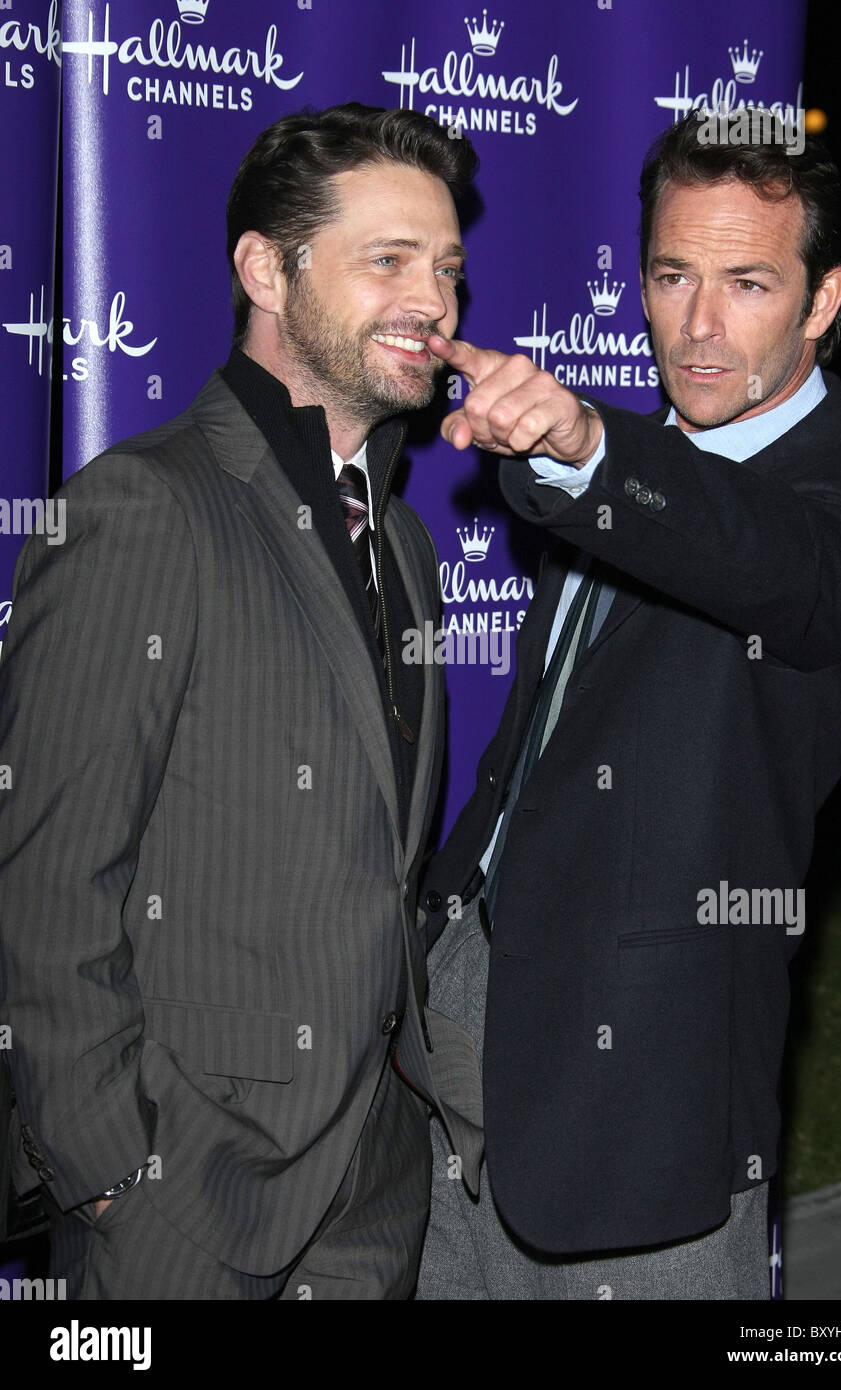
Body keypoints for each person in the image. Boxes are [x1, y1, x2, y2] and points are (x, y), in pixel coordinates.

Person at [415, 111, 841, 1299]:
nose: (697, 326)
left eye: (748, 282)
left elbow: (763, 560)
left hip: (642, 1124)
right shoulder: (626, 472)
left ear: (826, 298)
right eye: (672, 275)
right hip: (449, 1100)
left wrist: (590, 446)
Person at [0, 104, 483, 1301]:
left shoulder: (406, 543)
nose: (436, 299)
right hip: (182, 1204)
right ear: (266, 269)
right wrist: (112, 1168)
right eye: (389, 259)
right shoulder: (143, 509)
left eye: (449, 267)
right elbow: (49, 878)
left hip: (372, 1187)